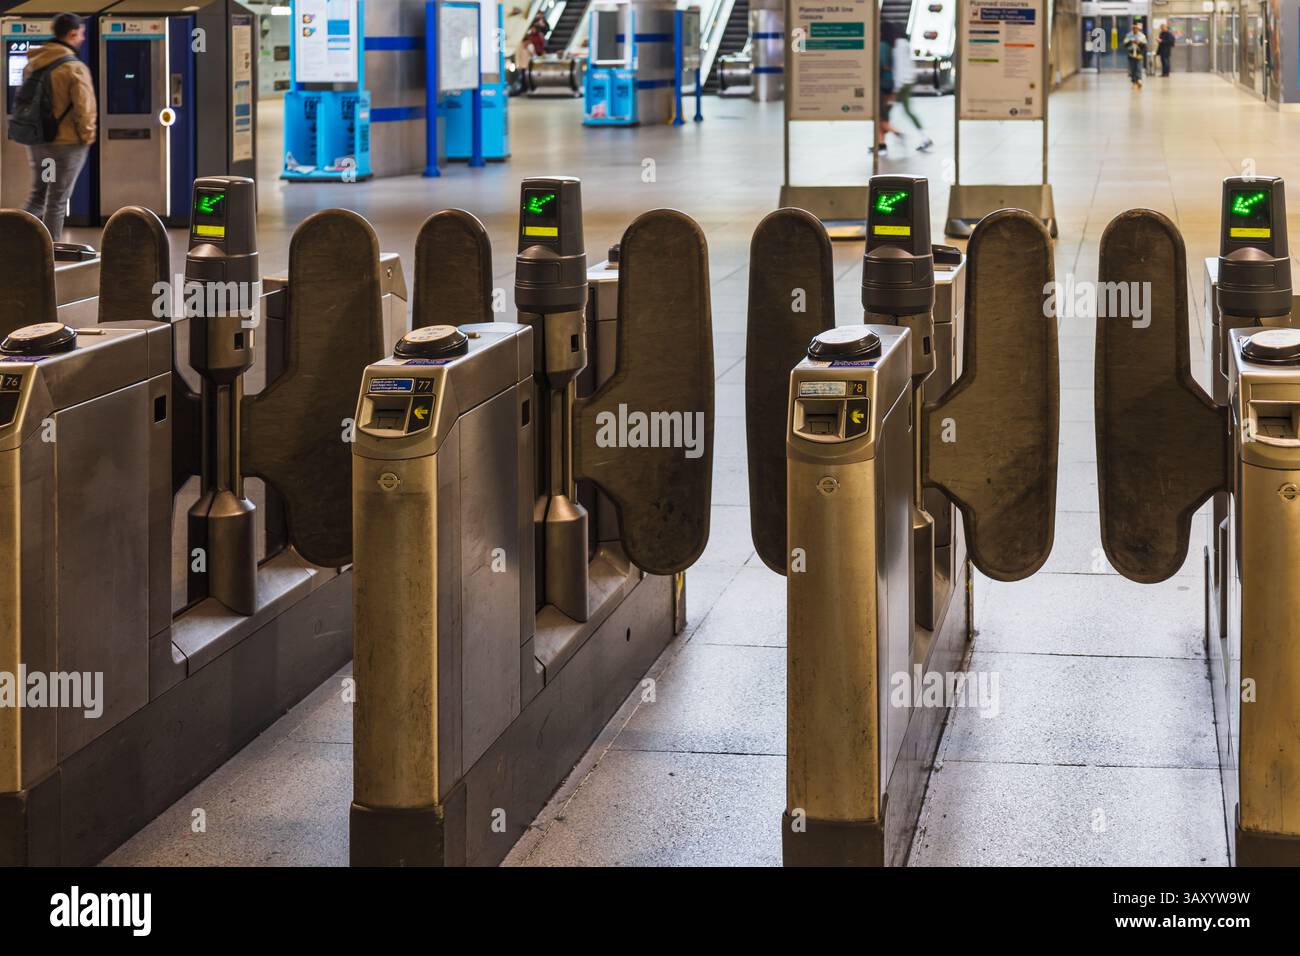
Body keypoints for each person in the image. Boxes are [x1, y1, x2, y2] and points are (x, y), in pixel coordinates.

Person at [16, 13, 96, 241]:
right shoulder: (74, 68)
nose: (82, 38)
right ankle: (49, 252)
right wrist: (87, 136)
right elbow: (84, 107)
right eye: (80, 34)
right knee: (57, 200)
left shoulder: (33, 64)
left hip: (38, 141)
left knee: (38, 196)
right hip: (67, 143)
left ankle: (14, 241)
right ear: (71, 34)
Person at [890, 29, 933, 152]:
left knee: (884, 112)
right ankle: (924, 137)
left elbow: (899, 67)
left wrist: (896, 88)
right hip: (908, 82)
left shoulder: (898, 46)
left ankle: (886, 140)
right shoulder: (905, 44)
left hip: (902, 84)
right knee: (907, 111)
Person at [1123, 24, 1148, 90]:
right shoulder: (1128, 35)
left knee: (1138, 68)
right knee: (1132, 69)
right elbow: (1125, 44)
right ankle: (1134, 82)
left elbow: (1145, 46)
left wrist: (1139, 43)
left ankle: (1139, 80)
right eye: (1133, 29)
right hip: (1131, 54)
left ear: (1138, 29)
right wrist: (1131, 42)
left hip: (1139, 54)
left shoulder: (1142, 36)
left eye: (1136, 29)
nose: (1135, 30)